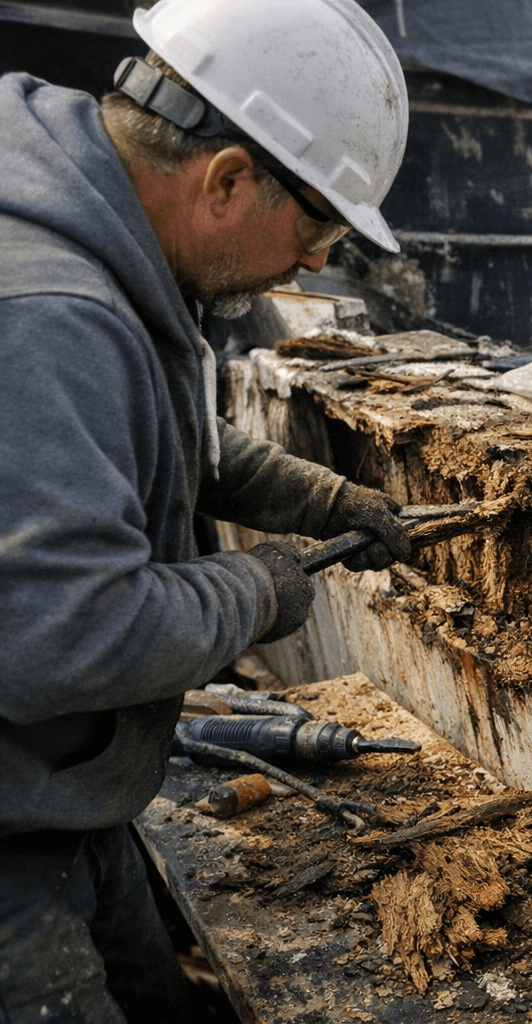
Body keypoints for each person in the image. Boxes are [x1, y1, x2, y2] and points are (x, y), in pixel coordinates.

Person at [0, 1, 416, 1019]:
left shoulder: (96, 221)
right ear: (229, 177)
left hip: (60, 797)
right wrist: (255, 588)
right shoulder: (50, 313)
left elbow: (153, 432)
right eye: (317, 223)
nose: (318, 260)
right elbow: (65, 634)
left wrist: (320, 499)